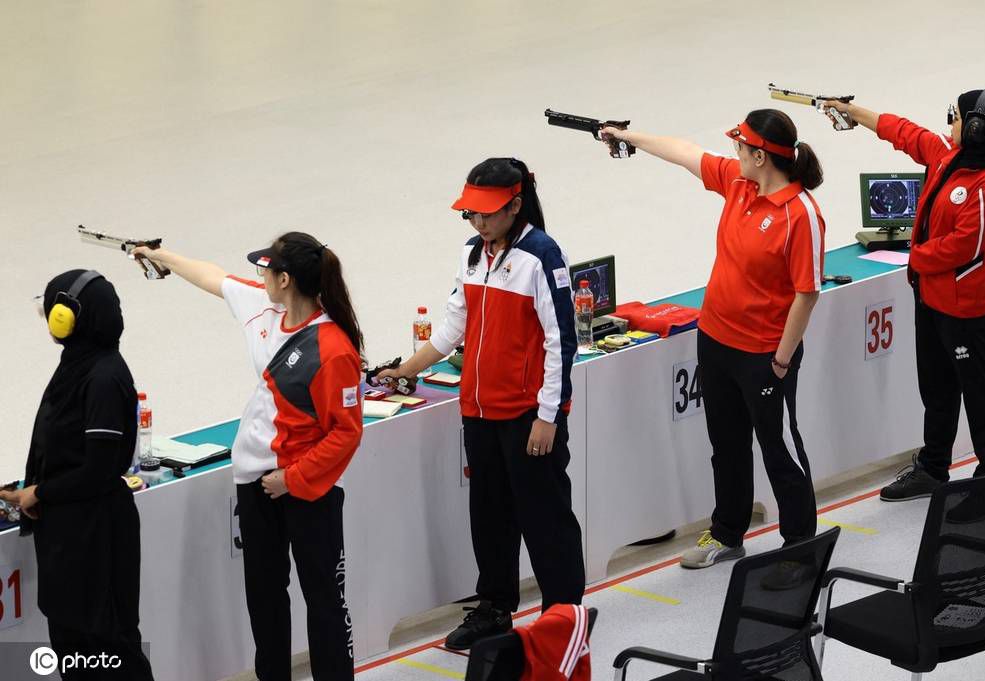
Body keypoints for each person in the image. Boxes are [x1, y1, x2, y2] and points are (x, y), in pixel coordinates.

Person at [601, 111, 826, 584]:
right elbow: (685, 153)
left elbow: (806, 293)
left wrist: (781, 362)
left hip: (766, 357)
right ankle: (727, 534)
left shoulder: (800, 214)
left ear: (760, 156)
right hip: (717, 342)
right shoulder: (740, 185)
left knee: (779, 450)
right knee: (726, 447)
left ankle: (801, 548)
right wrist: (628, 135)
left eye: (742, 148)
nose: (735, 154)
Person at [132, 233, 364, 681]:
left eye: (266, 269)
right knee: (264, 597)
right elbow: (213, 277)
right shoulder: (262, 302)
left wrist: (291, 480)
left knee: (324, 598)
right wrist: (159, 256)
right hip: (255, 485)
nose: (259, 275)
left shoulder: (333, 349)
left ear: (285, 279)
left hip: (304, 489)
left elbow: (345, 435)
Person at [379, 157, 585, 650]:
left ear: (515, 205)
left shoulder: (541, 255)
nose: (478, 221)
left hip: (526, 418)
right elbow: (454, 327)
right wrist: (405, 370)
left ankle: (564, 615)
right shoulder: (473, 253)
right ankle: (495, 608)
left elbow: (563, 340)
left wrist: (547, 416)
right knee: (490, 517)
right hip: (478, 413)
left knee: (545, 518)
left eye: (487, 212)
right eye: (471, 213)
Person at [824, 90, 985, 518]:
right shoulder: (950, 157)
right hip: (931, 298)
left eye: (957, 117)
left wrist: (916, 255)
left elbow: (965, 246)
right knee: (937, 389)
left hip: (966, 308)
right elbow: (905, 133)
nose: (949, 124)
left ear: (977, 128)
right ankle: (933, 468)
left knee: (981, 398)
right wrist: (855, 113)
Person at [0, 270, 154, 680]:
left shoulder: (103, 377)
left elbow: (99, 470)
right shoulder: (78, 363)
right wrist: (30, 490)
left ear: (68, 319)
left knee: (110, 652)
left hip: (95, 539)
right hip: (71, 537)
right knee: (75, 652)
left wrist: (42, 492)